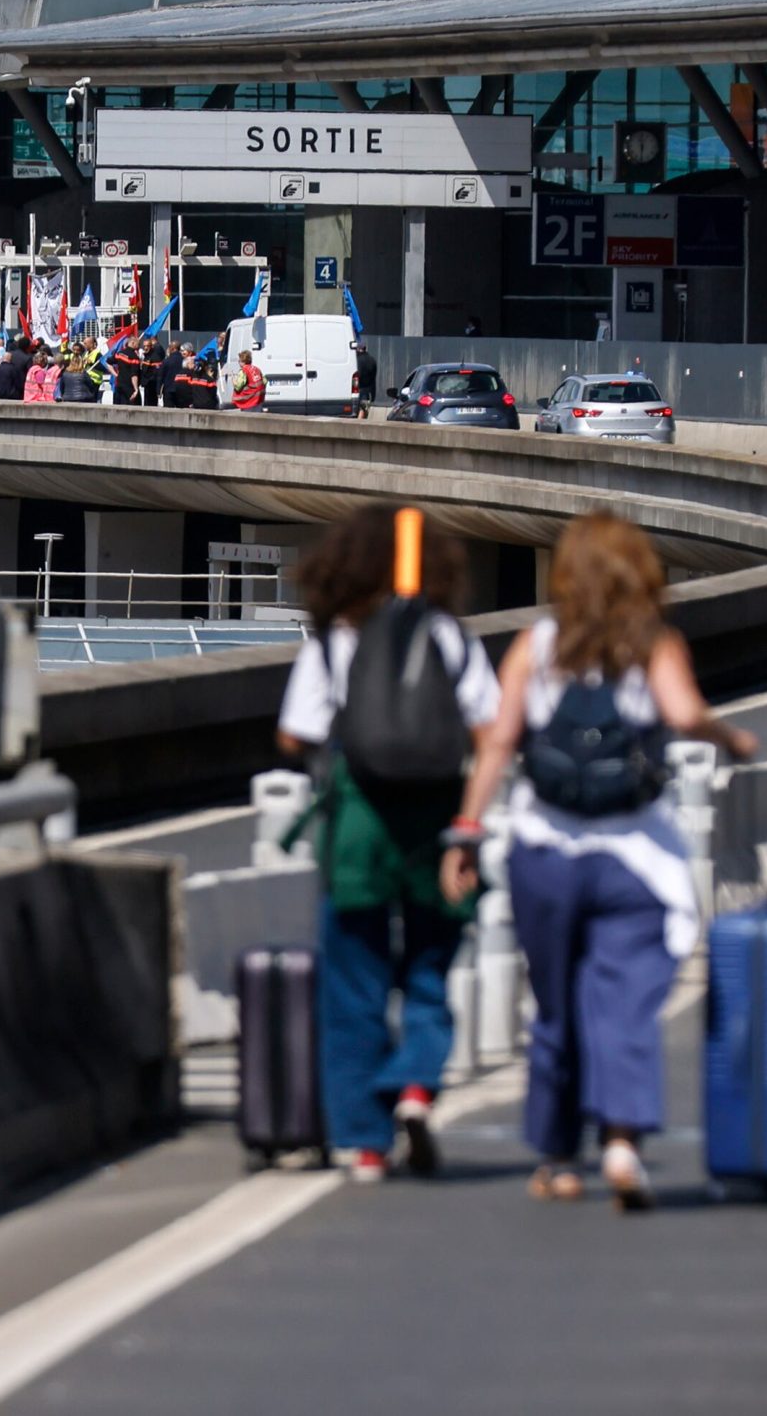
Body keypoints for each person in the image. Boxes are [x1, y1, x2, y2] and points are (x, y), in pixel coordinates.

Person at [454, 511, 756, 1210]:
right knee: (622, 1005)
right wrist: (731, 737)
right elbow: (684, 716)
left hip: (544, 852)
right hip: (634, 858)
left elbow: (498, 743)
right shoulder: (653, 642)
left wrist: (467, 830)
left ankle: (559, 1158)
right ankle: (622, 1142)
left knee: (555, 1005)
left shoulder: (538, 644)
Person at [278, 505, 500, 1183]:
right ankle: (414, 1087)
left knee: (354, 977)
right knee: (431, 964)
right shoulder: (447, 635)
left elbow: (294, 734)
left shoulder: (334, 640)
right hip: (435, 821)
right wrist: (466, 829)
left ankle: (366, 1142)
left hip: (359, 822)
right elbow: (490, 734)